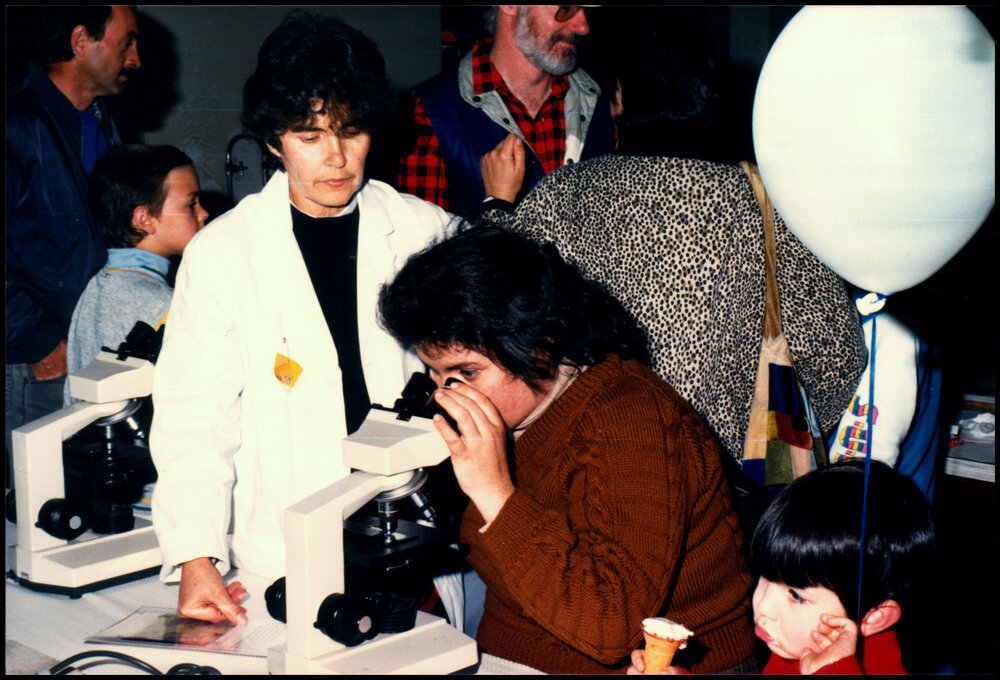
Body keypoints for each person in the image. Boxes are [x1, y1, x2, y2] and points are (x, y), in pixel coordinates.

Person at [149, 13, 460, 627]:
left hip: (411, 539)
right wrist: (194, 553)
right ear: (272, 140)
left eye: (352, 131)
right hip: (282, 546)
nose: (338, 158)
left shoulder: (427, 231)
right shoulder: (223, 253)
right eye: (310, 136)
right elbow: (194, 415)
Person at [377, 226, 757, 674]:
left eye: (466, 372)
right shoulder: (513, 415)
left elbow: (609, 630)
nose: (446, 393)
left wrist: (495, 492)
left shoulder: (632, 422)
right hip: (517, 652)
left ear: (540, 346)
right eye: (435, 373)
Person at [478, 156, 867, 463]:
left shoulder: (563, 191)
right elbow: (833, 352)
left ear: (617, 101)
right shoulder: (760, 197)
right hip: (732, 474)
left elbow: (486, 302)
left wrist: (496, 206)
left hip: (591, 454)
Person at [628, 461, 940, 674]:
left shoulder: (874, 664)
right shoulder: (795, 642)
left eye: (796, 595)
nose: (762, 605)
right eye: (765, 576)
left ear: (873, 617)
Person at [6, 4, 140, 484]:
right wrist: (39, 341)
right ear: (81, 41)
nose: (136, 59)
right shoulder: (17, 126)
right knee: (33, 516)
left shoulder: (102, 121)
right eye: (127, 42)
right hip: (37, 364)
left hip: (94, 353)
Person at [395, 5, 616, 216]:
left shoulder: (599, 101)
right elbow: (425, 249)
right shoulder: (429, 111)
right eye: (565, 8)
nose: (583, 26)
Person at [63, 144, 208, 404]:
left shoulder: (98, 285)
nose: (204, 213)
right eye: (191, 204)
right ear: (145, 219)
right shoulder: (163, 304)